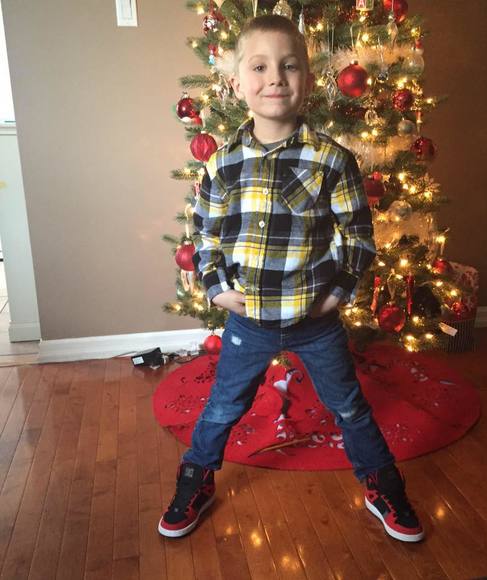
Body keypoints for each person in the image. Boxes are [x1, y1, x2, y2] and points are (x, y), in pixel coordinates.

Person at [158, 14, 424, 544]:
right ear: (237, 83)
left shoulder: (332, 160)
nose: (275, 77)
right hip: (248, 321)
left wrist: (337, 295)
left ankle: (381, 483)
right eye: (259, 67)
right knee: (223, 406)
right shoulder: (222, 165)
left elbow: (358, 237)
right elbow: (206, 235)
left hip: (316, 322)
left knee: (349, 405)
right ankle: (196, 478)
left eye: (289, 66)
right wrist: (216, 289)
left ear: (308, 78)